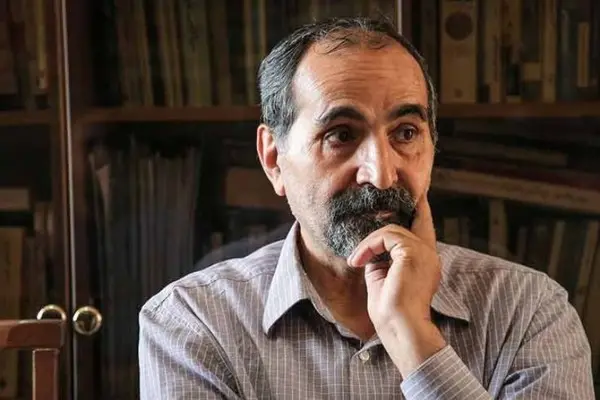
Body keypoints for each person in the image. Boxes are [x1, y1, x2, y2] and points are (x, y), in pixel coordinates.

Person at [138, 16, 595, 399]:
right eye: (341, 134)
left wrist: (411, 336)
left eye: (406, 133)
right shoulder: (193, 324)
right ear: (274, 159)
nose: (381, 174)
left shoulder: (528, 312)